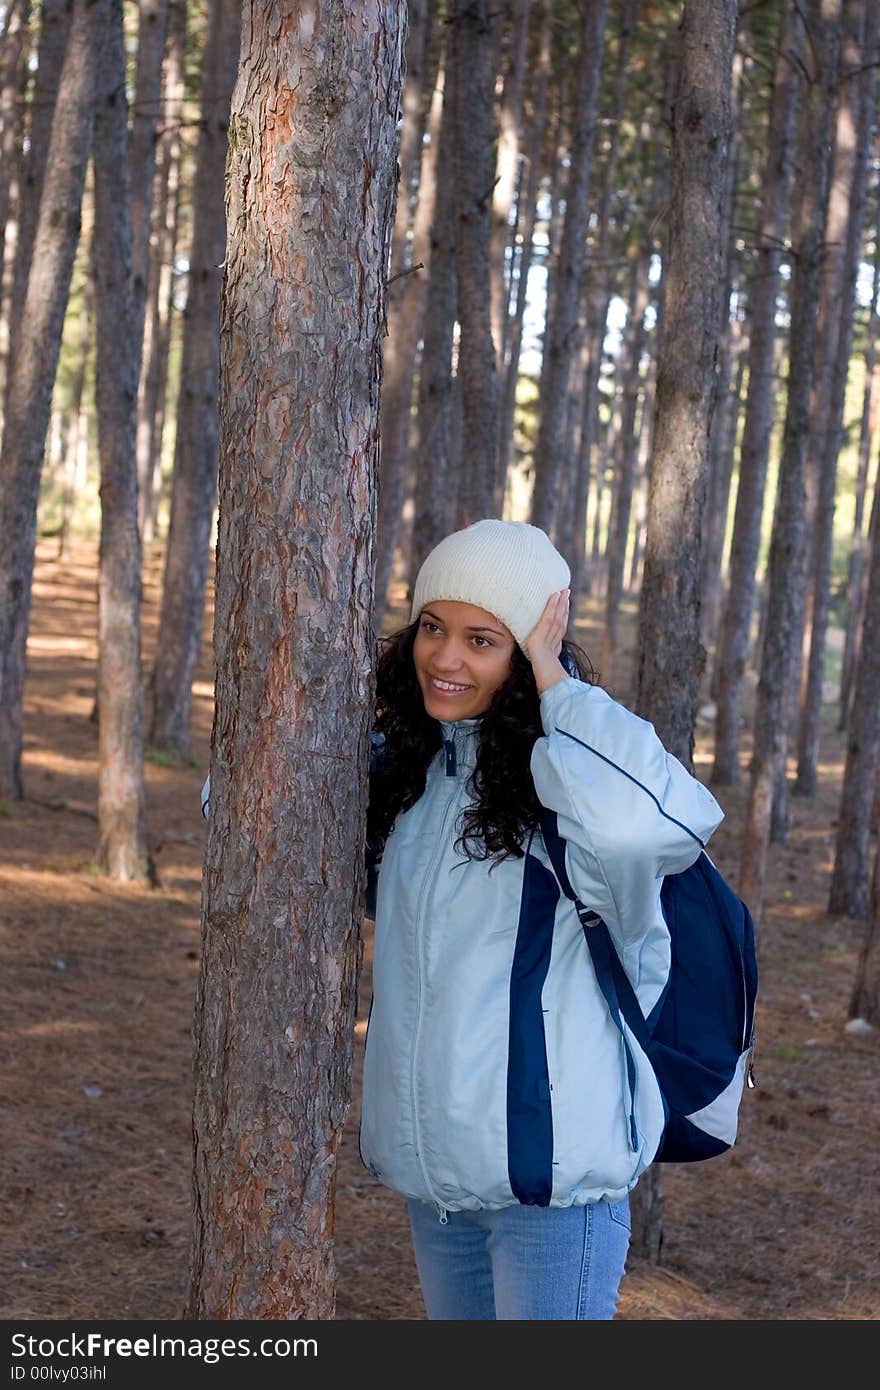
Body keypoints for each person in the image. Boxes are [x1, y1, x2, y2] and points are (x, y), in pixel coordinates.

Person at [203, 518, 725, 1321]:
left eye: (484, 639)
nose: (446, 659)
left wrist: (561, 688)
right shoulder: (411, 776)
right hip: (437, 1183)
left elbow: (654, 825)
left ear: (524, 654)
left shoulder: (572, 794)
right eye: (434, 629)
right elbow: (255, 834)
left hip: (550, 1188)